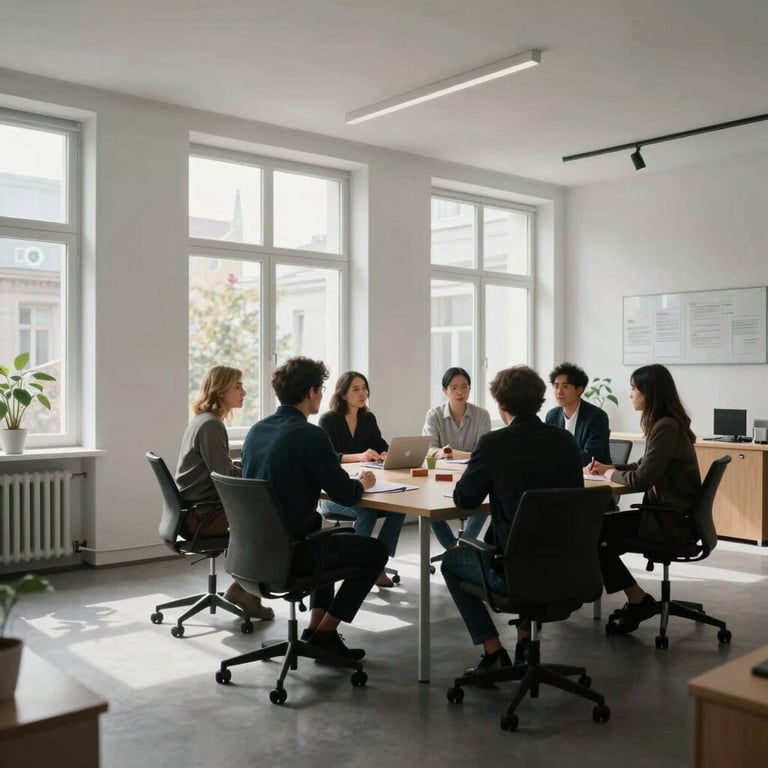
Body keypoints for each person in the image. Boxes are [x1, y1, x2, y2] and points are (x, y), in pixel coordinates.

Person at [241, 356, 388, 660]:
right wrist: (361, 481)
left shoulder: (256, 431)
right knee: (374, 552)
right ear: (311, 392)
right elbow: (346, 494)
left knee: (326, 539)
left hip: (252, 552)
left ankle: (315, 628)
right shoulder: (310, 435)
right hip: (294, 554)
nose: (322, 395)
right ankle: (326, 632)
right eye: (320, 389)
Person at [441, 366, 583, 675]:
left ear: (501, 403)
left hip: (514, 575)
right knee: (531, 540)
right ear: (539, 401)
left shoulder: (494, 444)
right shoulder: (565, 442)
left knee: (451, 562)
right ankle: (524, 643)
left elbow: (465, 500)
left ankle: (493, 651)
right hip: (568, 569)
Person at [588, 364, 701, 634]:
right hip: (672, 515)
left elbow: (641, 480)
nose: (630, 395)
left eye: (634, 389)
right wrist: (609, 468)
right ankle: (637, 599)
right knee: (597, 531)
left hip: (668, 522)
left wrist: (611, 474)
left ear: (649, 393)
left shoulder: (665, 427)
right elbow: (642, 466)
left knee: (592, 535)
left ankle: (639, 601)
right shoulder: (667, 424)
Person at [175, 365, 274, 621]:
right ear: (221, 391)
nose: (244, 392)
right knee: (269, 524)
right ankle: (243, 591)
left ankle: (244, 589)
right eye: (238, 387)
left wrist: (248, 469)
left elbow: (222, 468)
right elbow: (223, 475)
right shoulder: (211, 425)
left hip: (196, 510)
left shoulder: (204, 420)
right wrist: (257, 476)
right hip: (202, 515)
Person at [318, 371, 405, 588]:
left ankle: (377, 563)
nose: (362, 393)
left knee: (399, 508)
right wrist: (359, 456)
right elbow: (329, 456)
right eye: (356, 389)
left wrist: (385, 453)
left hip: (367, 487)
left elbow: (380, 444)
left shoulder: (368, 418)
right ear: (343, 394)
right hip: (334, 493)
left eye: (364, 388)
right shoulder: (329, 420)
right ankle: (355, 566)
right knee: (366, 513)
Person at [422, 367, 492, 549]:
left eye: (464, 387)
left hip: (472, 474)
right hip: (442, 475)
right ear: (445, 391)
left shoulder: (481, 415)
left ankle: (464, 545)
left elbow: (483, 453)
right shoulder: (434, 415)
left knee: (488, 498)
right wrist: (440, 453)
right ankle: (452, 546)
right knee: (424, 500)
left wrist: (451, 452)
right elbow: (429, 448)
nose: (460, 392)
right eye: (454, 387)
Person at [545, 362, 611, 466]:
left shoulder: (597, 417)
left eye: (565, 387)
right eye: (556, 386)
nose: (559, 391)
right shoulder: (552, 416)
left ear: (579, 390)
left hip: (591, 473)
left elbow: (590, 457)